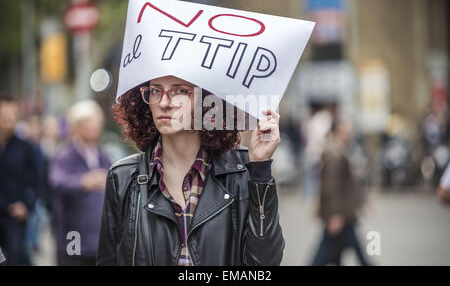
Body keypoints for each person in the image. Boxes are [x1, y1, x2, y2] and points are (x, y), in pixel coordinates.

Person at [97, 75, 285, 266]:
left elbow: (264, 264)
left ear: (207, 99)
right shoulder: (123, 179)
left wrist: (260, 170)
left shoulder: (243, 170)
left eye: (180, 91)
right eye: (155, 90)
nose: (164, 102)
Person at [50, 100, 111, 266]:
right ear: (75, 126)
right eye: (89, 122)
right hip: (73, 236)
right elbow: (57, 182)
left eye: (98, 122)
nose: (95, 126)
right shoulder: (64, 155)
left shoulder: (103, 155)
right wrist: (84, 181)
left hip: (99, 240)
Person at [311, 119, 370, 266]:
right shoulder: (333, 153)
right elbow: (331, 187)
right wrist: (335, 214)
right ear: (338, 131)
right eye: (347, 130)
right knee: (323, 256)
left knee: (335, 253)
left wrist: (364, 202)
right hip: (340, 214)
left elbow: (350, 184)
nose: (350, 134)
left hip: (344, 213)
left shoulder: (339, 150)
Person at [0, 94, 43, 265]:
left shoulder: (26, 147)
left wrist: (28, 205)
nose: (8, 121)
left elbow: (39, 180)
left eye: (12, 117)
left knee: (14, 258)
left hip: (14, 217)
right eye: (4, 117)